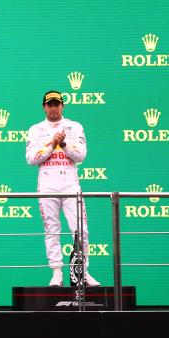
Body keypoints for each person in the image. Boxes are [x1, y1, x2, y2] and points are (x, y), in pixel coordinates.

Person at [25, 90, 100, 287]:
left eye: (56, 104)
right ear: (44, 107)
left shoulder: (74, 127)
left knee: (80, 230)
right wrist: (52, 145)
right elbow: (31, 159)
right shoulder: (36, 129)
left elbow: (81, 155)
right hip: (47, 185)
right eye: (49, 105)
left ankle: (82, 272)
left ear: (62, 106)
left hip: (70, 185)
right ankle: (56, 273)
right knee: (51, 229)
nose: (53, 108)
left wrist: (64, 143)